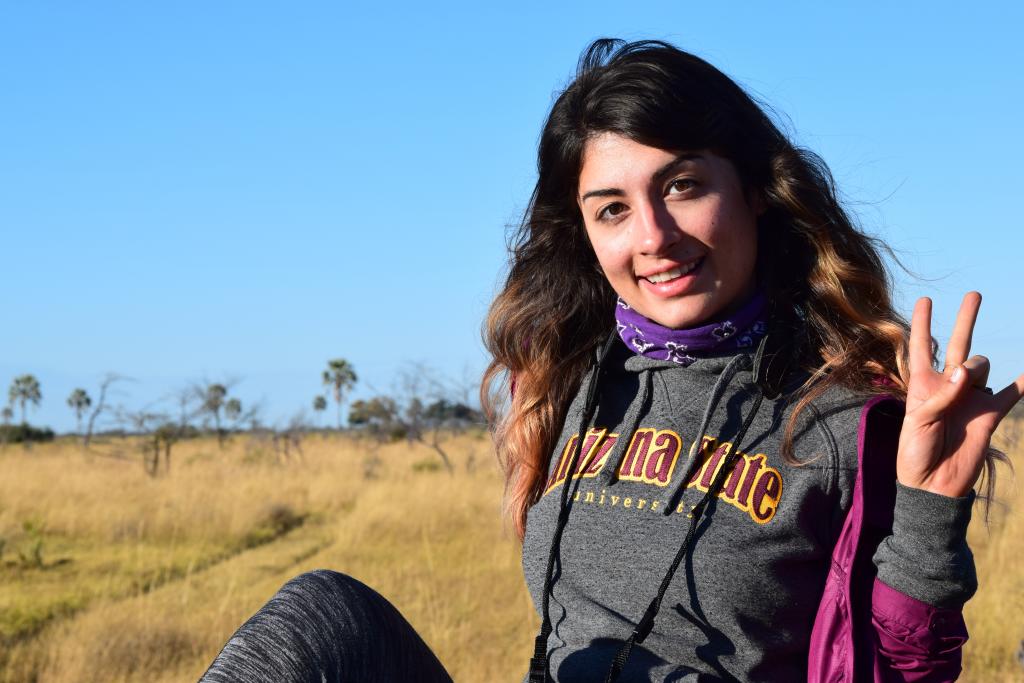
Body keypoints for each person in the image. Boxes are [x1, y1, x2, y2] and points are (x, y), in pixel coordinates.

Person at [200, 39, 1023, 683]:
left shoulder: (841, 415)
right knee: (322, 614)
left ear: (755, 191)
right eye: (613, 208)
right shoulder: (575, 379)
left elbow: (902, 668)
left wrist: (927, 509)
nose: (653, 238)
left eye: (683, 186)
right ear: (585, 232)